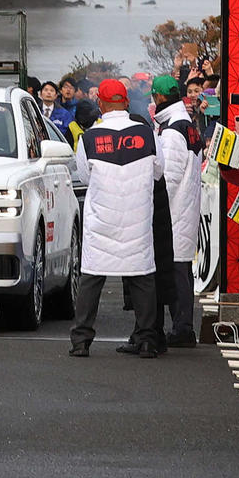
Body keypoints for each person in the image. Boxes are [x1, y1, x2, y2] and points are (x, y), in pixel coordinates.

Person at [69, 79, 164, 359]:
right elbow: (159, 170)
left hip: (102, 219)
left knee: (92, 278)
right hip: (138, 214)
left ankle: (81, 340)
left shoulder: (89, 137)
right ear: (125, 102)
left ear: (100, 104)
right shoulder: (147, 134)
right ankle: (147, 340)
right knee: (142, 277)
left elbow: (85, 176)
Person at [151, 74, 204, 347]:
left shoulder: (172, 130)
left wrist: (153, 207)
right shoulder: (188, 125)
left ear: (159, 98)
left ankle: (183, 328)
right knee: (182, 269)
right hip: (187, 204)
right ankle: (183, 326)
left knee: (176, 271)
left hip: (173, 210)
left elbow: (167, 177)